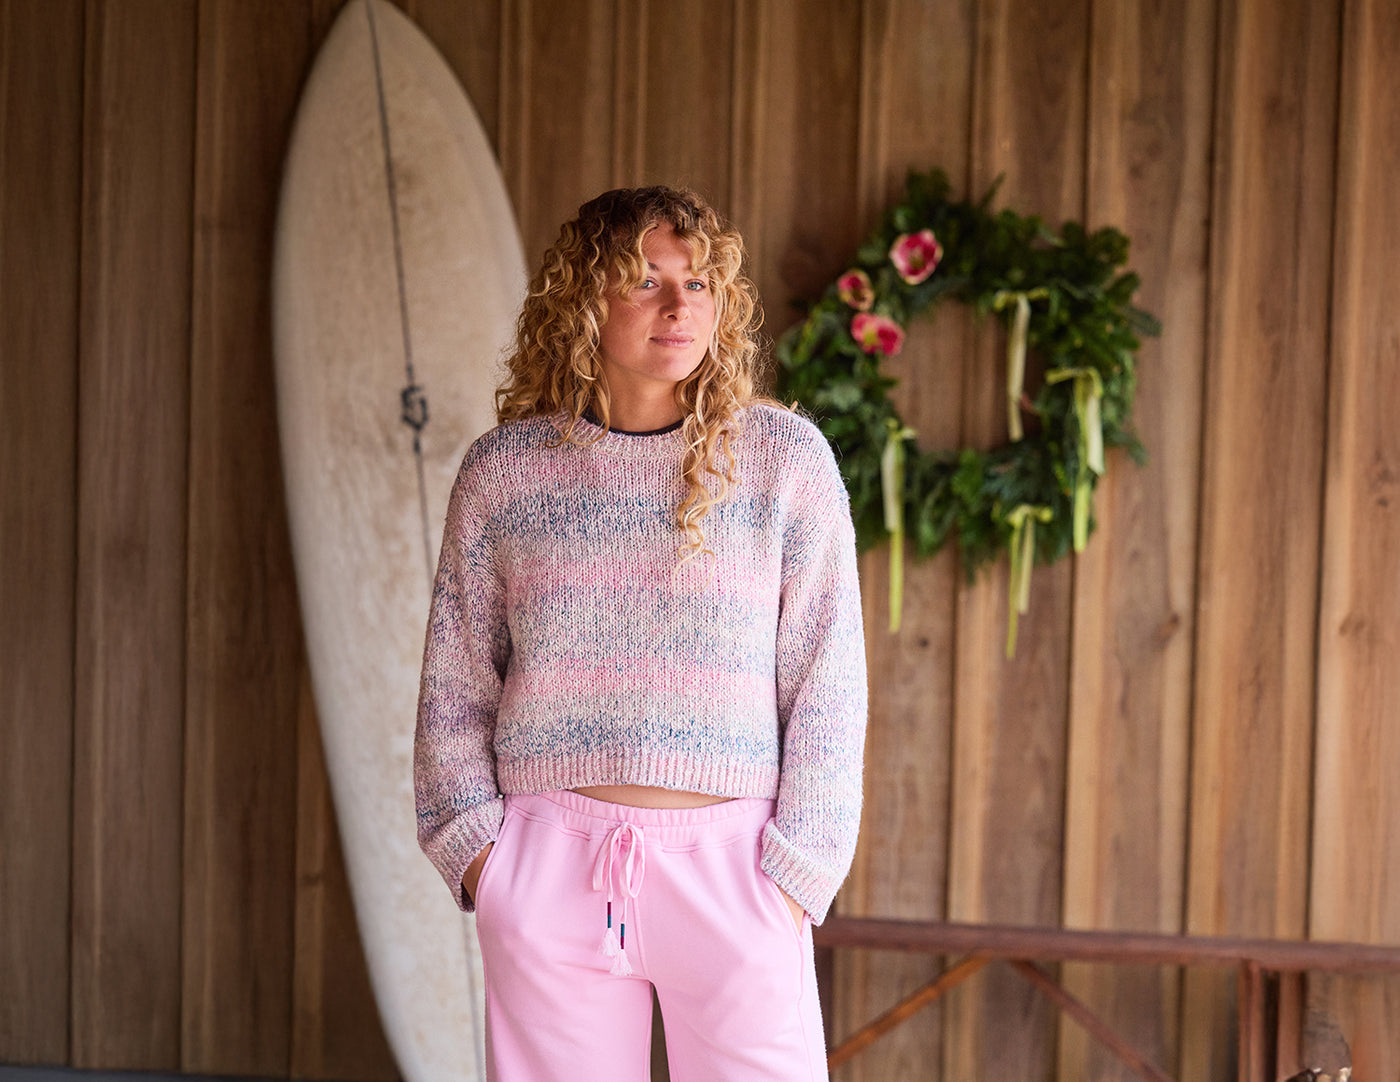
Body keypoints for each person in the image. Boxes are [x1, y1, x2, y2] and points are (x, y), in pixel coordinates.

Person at [414, 185, 866, 1081]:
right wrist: (483, 863)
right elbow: (456, 686)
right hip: (548, 869)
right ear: (584, 302)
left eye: (698, 284)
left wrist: (794, 875)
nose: (679, 306)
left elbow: (828, 681)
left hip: (739, 876)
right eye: (647, 281)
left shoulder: (784, 462)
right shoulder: (505, 474)